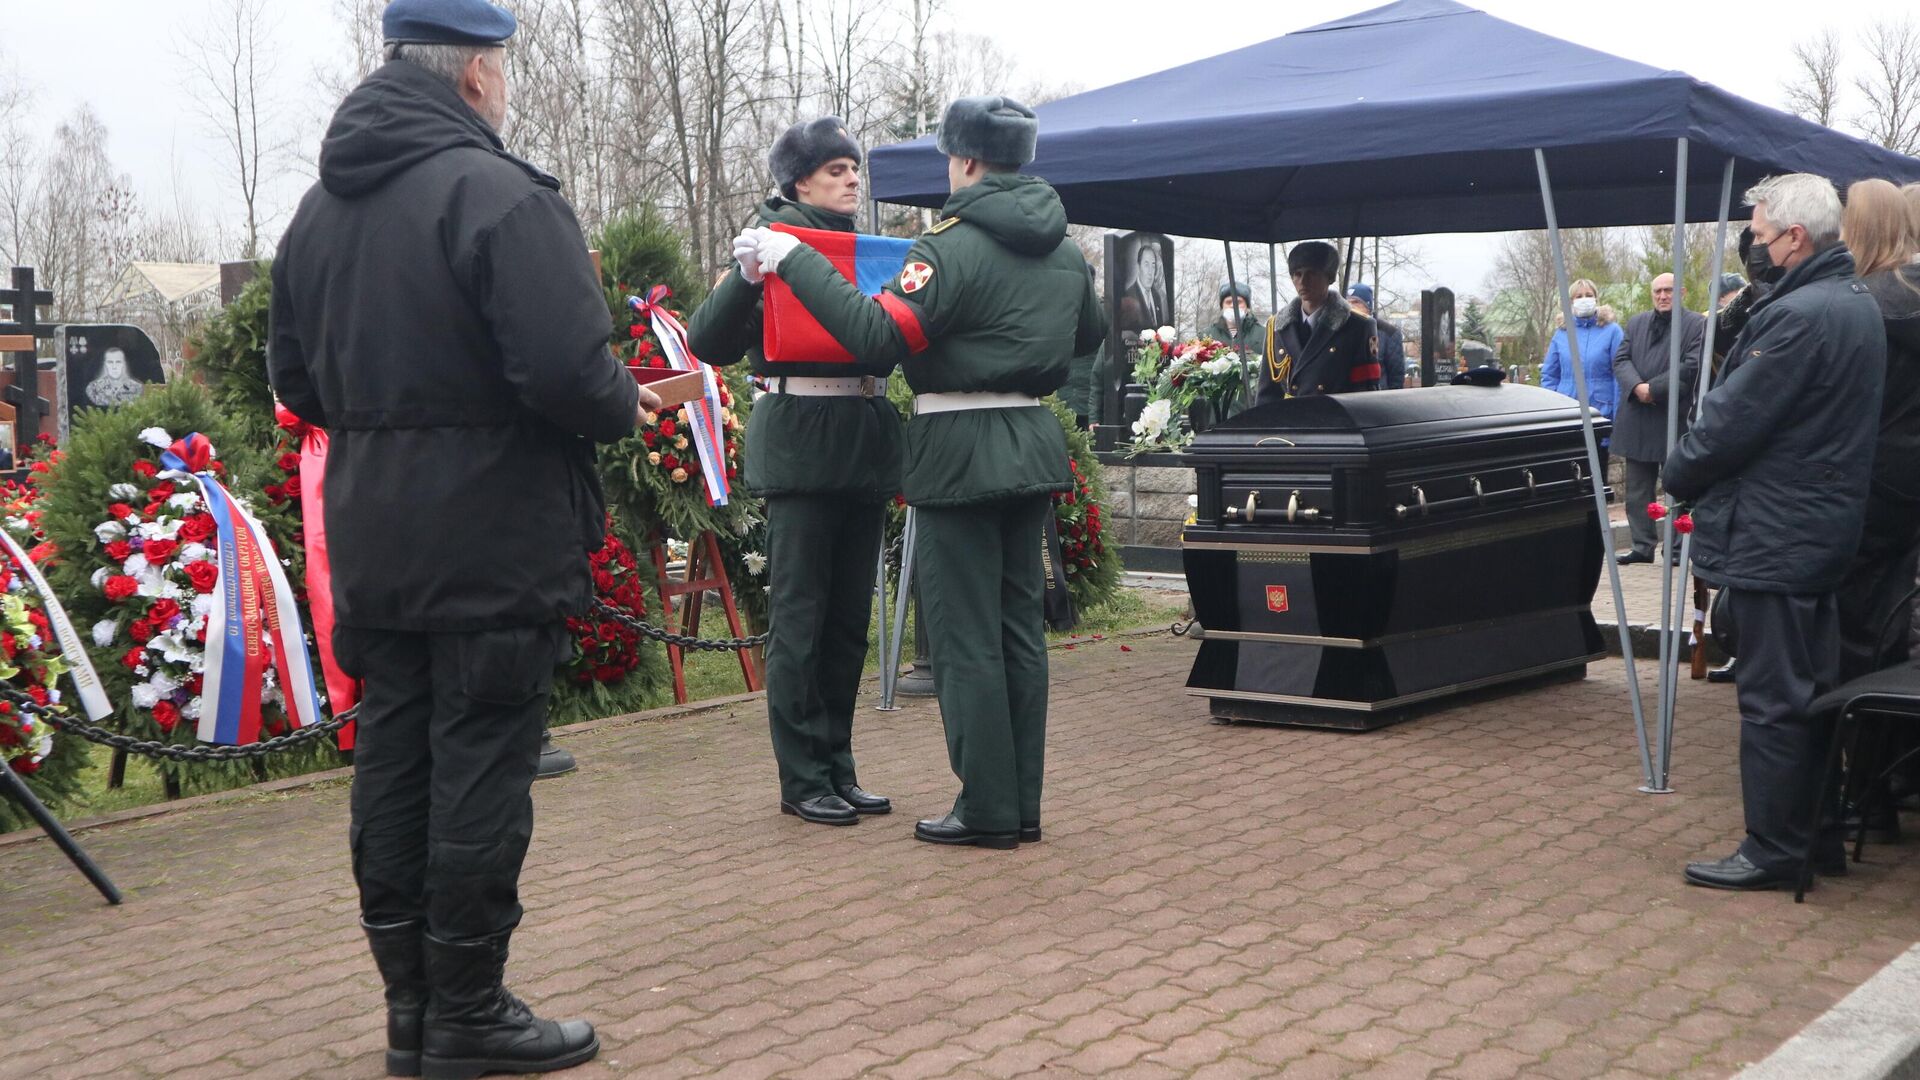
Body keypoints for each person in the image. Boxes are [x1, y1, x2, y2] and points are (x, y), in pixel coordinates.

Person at [268, 1, 653, 1073]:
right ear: (478, 74)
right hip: (492, 531)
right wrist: (627, 401)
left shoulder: (318, 213)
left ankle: (413, 1012)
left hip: (375, 536)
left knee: (394, 761)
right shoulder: (496, 194)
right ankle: (470, 1015)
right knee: (481, 766)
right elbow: (572, 375)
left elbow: (293, 382)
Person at [733, 95, 1104, 849]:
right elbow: (1088, 337)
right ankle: (1021, 804)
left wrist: (797, 259)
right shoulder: (1066, 251)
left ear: (964, 160)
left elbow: (877, 334)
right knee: (1019, 634)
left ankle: (988, 807)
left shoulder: (950, 248)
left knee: (965, 635)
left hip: (960, 451)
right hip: (1030, 441)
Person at [1664, 173, 1886, 892]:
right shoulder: (1851, 303)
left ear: (1794, 237)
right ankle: (1811, 834)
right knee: (1810, 692)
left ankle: (1774, 847)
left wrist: (1679, 470)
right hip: (1815, 527)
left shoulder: (1801, 317)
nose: (1753, 247)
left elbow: (1730, 423)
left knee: (1772, 701)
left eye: (1759, 234)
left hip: (1779, 533)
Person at [685, 117, 901, 828]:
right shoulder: (768, 241)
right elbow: (707, 342)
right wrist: (747, 277)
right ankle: (801, 776)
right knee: (801, 623)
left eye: (853, 169)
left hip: (861, 443)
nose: (851, 180)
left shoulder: (862, 251)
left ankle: (838, 765)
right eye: (836, 170)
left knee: (846, 625)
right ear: (799, 181)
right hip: (804, 449)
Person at [1836, 179, 1920, 680]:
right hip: (1905, 473)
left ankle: (1865, 737)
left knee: (1859, 615)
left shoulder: (1860, 304)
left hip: (1868, 475)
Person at [1612, 273, 1706, 565]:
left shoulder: (1696, 325)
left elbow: (1691, 366)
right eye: (1658, 291)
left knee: (1676, 484)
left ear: (1681, 292)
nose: (1663, 296)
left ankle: (1677, 549)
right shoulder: (1637, 322)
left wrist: (1654, 389)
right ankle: (1642, 546)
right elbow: (1621, 360)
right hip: (1638, 415)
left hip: (1674, 415)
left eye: (1669, 290)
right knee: (1638, 490)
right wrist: (1638, 388)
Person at [1257, 242, 1381, 403]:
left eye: (1311, 274)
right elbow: (1267, 392)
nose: (1303, 281)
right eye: (1297, 274)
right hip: (1286, 422)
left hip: (1333, 421)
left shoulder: (1358, 326)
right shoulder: (1277, 326)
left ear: (1329, 277)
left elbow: (1366, 393)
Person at [1540, 278, 1624, 479]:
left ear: (1597, 298)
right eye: (1579, 296)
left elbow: (1619, 374)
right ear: (1570, 302)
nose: (1584, 299)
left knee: (1597, 477)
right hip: (1568, 413)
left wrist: (1616, 413)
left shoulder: (1612, 331)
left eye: (1588, 295)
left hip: (1600, 412)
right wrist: (1552, 407)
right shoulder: (1562, 333)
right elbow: (1550, 374)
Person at [1345, 283, 1404, 390]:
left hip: (1378, 398)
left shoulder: (1388, 332)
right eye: (1347, 302)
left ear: (1368, 306)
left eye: (1356, 302)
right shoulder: (1342, 330)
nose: (1350, 306)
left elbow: (1396, 375)